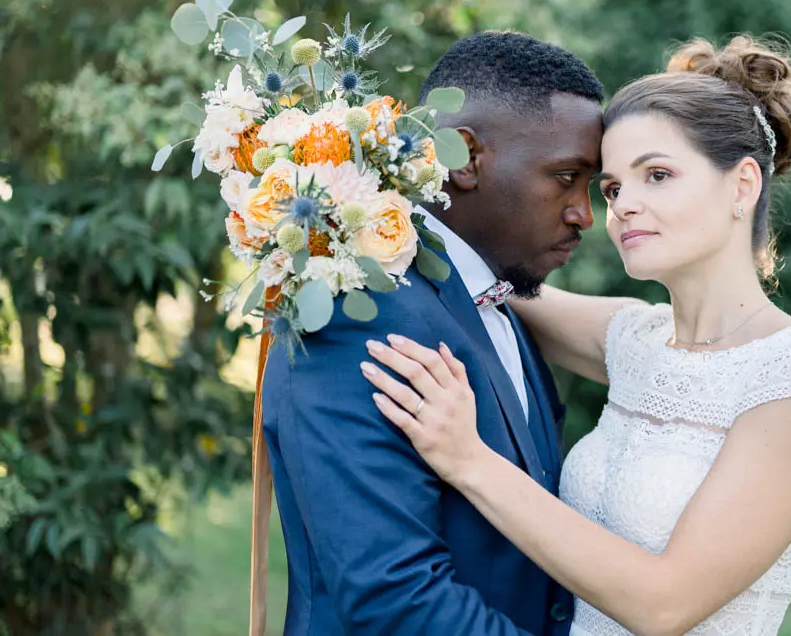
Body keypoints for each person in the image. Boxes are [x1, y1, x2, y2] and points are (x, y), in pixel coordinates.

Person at [362, 36, 791, 636]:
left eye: (657, 174)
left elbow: (665, 604)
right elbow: (482, 277)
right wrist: (338, 214)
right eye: (614, 188)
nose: (621, 206)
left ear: (743, 185)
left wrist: (469, 461)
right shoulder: (638, 339)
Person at [261, 31, 611, 635]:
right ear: (465, 159)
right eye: (565, 177)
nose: (583, 212)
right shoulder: (355, 312)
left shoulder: (497, 298)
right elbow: (395, 596)